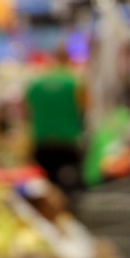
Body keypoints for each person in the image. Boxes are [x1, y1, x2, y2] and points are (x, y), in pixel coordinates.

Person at [26, 45, 89, 200]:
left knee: (45, 191)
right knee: (69, 190)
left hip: (42, 142)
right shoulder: (75, 83)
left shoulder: (36, 85)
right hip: (67, 142)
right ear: (68, 59)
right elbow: (85, 109)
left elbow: (27, 111)